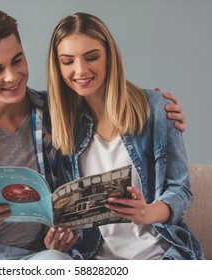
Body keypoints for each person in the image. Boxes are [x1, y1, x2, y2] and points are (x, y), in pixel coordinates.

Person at [0, 9, 186, 260]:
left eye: (17, 61)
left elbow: (104, 98)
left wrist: (157, 106)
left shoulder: (58, 113)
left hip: (42, 256)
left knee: (57, 261)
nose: (12, 77)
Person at [47, 12, 204, 259]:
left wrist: (147, 212)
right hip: (93, 259)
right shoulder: (62, 123)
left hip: (159, 256)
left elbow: (180, 190)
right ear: (57, 66)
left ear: (109, 56)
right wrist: (63, 238)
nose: (80, 70)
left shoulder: (156, 109)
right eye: (67, 61)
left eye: (92, 57)